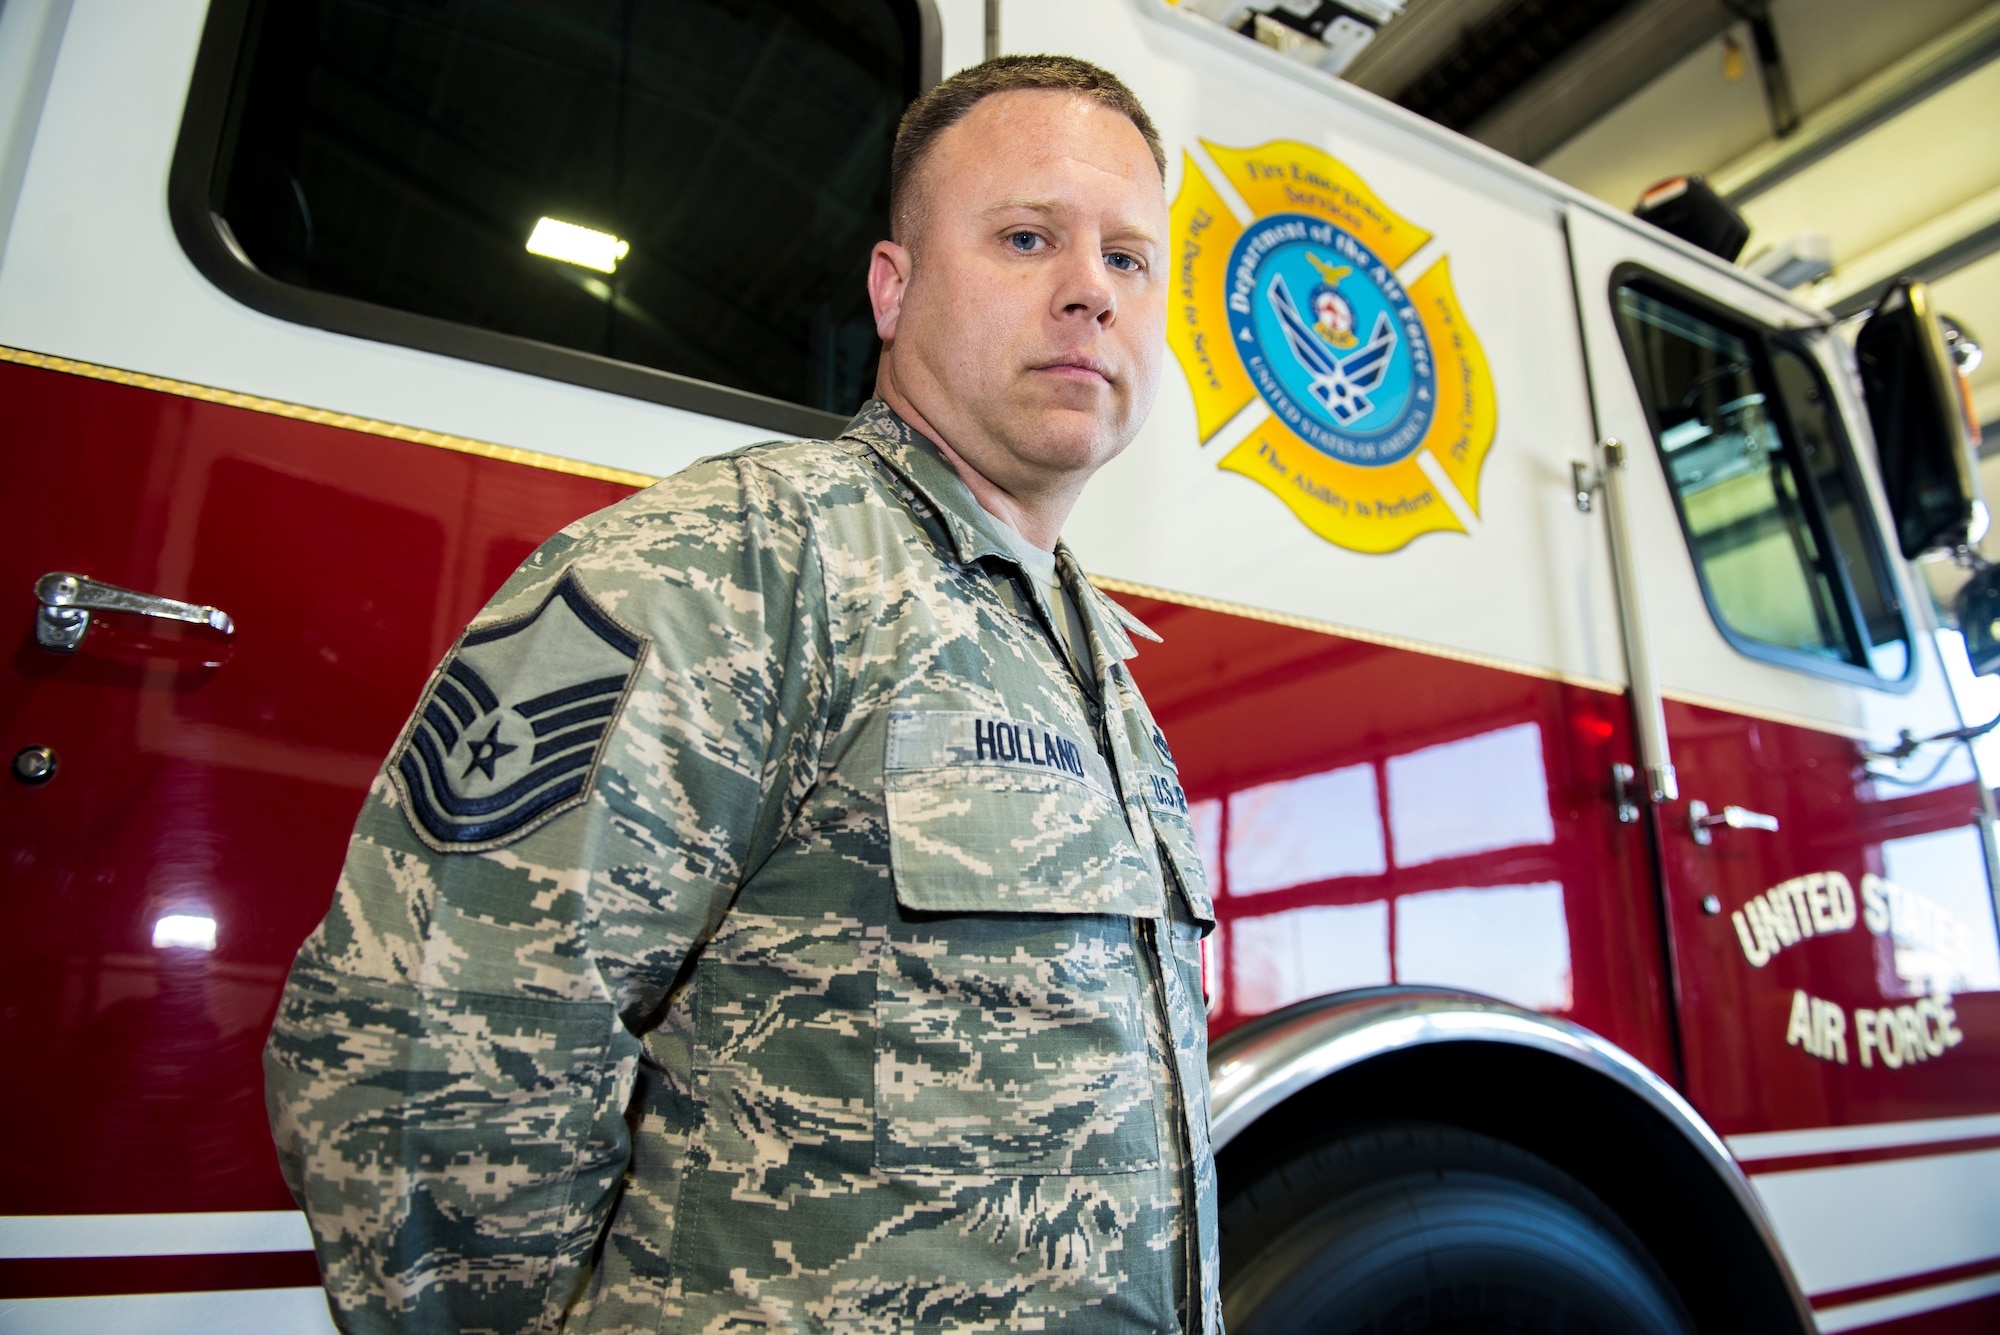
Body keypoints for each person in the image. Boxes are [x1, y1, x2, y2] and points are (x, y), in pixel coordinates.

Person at [265, 53, 1218, 1335]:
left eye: (1127, 258)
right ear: (894, 289)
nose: (1087, 294)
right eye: (1026, 236)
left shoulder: (1092, 662)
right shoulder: (734, 564)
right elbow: (427, 1048)